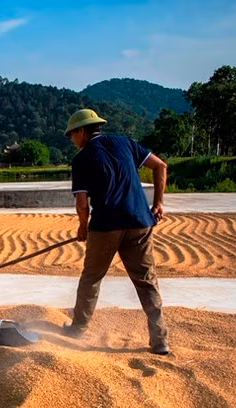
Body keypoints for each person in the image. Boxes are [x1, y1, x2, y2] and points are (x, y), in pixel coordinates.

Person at [63, 108, 170, 355]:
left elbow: (82, 203)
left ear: (82, 131)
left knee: (91, 278)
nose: (71, 140)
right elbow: (160, 166)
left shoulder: (81, 159)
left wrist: (83, 227)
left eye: (71, 135)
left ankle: (78, 329)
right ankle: (159, 340)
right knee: (146, 282)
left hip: (106, 225)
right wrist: (158, 203)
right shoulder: (126, 143)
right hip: (139, 222)